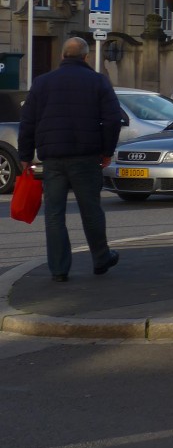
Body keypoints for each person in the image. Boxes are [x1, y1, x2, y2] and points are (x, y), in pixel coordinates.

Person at [18, 37, 123, 282]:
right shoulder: (98, 81)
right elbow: (112, 120)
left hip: (53, 158)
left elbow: (28, 122)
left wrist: (25, 156)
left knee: (54, 214)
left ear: (62, 56)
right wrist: (107, 151)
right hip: (86, 156)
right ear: (86, 57)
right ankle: (101, 258)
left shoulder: (42, 82)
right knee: (91, 210)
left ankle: (58, 268)